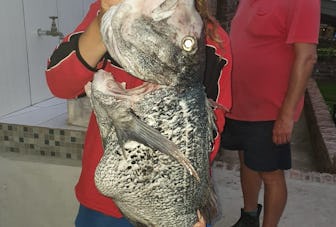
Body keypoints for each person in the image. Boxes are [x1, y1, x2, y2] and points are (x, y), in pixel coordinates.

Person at [45, 0, 232, 226]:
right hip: (103, 206)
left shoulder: (209, 37)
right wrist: (100, 22)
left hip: (173, 200)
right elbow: (60, 84)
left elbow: (209, 130)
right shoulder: (108, 11)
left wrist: (187, 202)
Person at [221, 0, 320, 227]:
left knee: (270, 173)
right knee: (247, 160)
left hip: (270, 109)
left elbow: (306, 58)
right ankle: (249, 217)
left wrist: (286, 115)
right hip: (239, 104)